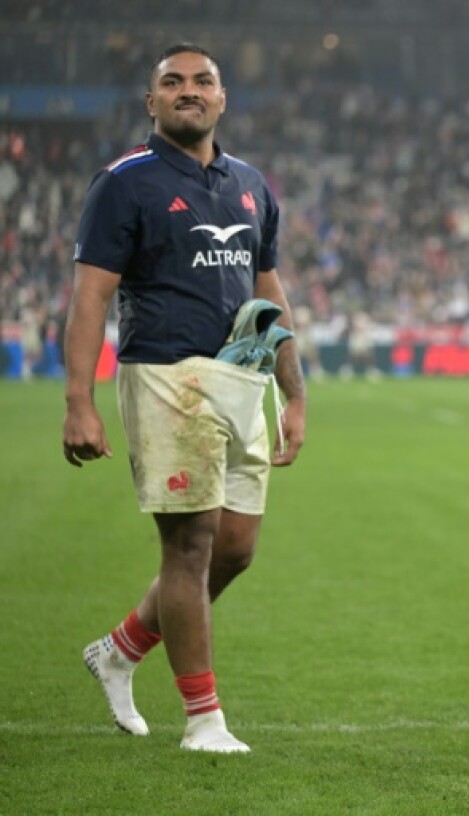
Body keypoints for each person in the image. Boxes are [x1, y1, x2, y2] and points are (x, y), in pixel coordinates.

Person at [62, 43, 306, 753]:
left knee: (235, 549)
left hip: (243, 381)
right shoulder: (123, 183)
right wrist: (79, 401)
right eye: (173, 83)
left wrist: (295, 393)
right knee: (190, 547)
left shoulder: (253, 185)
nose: (188, 92)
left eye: (203, 82)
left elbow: (271, 295)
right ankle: (205, 721)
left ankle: (119, 650)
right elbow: (89, 299)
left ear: (223, 99)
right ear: (152, 103)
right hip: (165, 376)